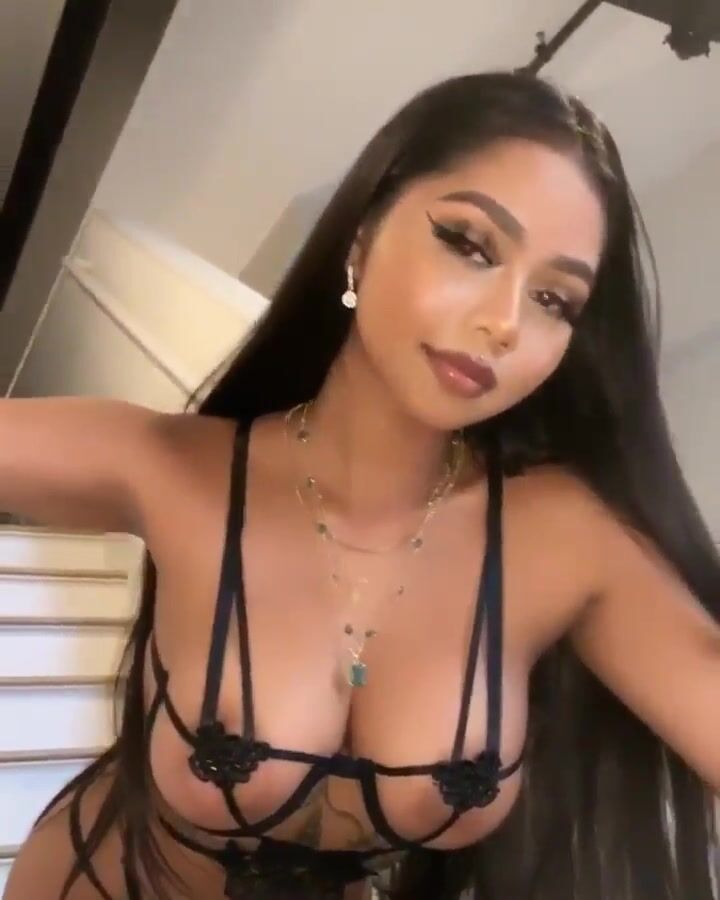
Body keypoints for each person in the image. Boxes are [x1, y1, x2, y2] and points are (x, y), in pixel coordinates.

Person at [3, 70, 719, 900]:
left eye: (555, 298)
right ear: (363, 234)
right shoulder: (173, 469)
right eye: (470, 244)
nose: (505, 322)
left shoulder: (566, 539)